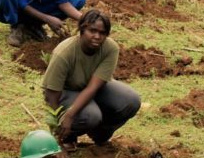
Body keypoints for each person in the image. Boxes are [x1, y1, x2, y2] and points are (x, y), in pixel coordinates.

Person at [42, 9, 141, 149]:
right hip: (65, 92)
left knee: (131, 100)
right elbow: (51, 95)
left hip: (91, 88)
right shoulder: (64, 52)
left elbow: (93, 87)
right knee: (91, 115)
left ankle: (99, 134)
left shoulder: (110, 48)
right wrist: (57, 132)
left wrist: (71, 114)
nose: (97, 36)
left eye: (102, 33)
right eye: (92, 31)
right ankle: (67, 138)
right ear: (82, 29)